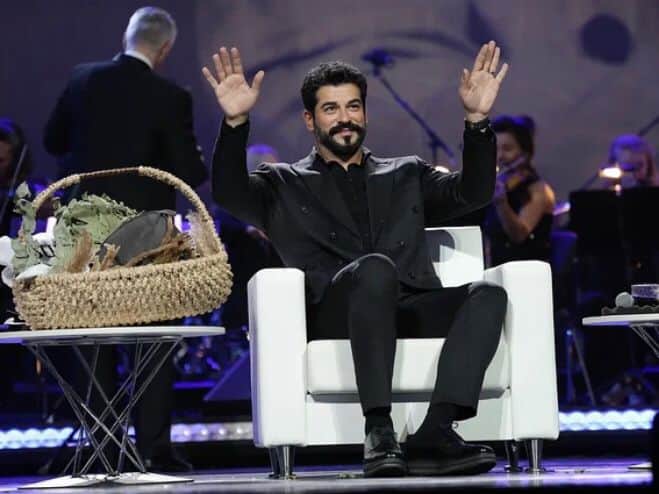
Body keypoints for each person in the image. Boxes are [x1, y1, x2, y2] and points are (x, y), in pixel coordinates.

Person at [204, 42, 509, 477]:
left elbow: (473, 194)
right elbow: (229, 192)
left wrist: (476, 121)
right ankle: (379, 429)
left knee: (488, 295)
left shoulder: (406, 173)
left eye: (353, 106)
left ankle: (435, 432)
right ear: (310, 120)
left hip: (408, 303)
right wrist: (235, 123)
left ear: (364, 113)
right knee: (374, 269)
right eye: (330, 109)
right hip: (337, 312)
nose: (344, 118)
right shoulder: (283, 183)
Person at [43, 7, 207, 472]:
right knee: (152, 336)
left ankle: (101, 447)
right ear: (166, 49)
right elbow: (188, 171)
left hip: (84, 235)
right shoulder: (171, 96)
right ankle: (154, 449)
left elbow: (53, 141)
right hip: (147, 238)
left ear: (126, 36)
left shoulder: (82, 79)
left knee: (92, 335)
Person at [482, 115, 555, 266]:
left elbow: (519, 235)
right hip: (497, 269)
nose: (500, 156)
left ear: (525, 153)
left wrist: (501, 203)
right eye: (495, 149)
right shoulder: (501, 184)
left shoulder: (539, 189)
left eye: (507, 149)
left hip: (527, 272)